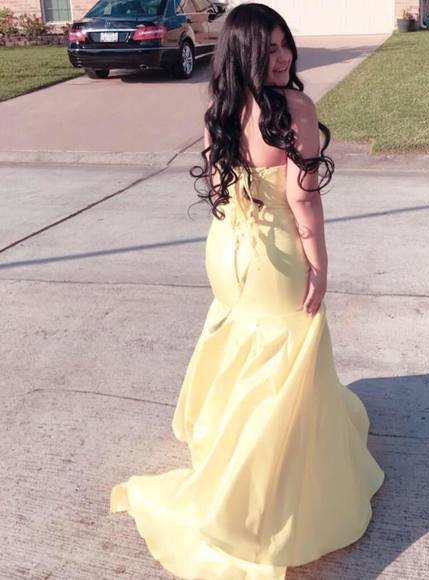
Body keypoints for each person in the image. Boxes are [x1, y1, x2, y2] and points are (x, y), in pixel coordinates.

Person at [109, 4, 385, 579]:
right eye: (270, 49)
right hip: (274, 255)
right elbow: (303, 199)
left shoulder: (221, 107)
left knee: (243, 343)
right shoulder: (295, 108)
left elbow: (219, 186)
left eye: (285, 45)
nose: (283, 58)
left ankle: (229, 441)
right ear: (246, 53)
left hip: (226, 248)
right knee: (284, 355)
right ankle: (257, 482)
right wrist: (319, 265)